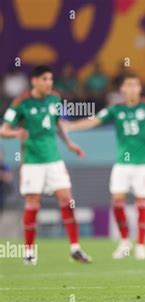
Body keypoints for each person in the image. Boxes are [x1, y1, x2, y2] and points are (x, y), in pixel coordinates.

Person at [64, 73, 145, 260]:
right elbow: (94, 120)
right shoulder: (116, 109)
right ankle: (124, 241)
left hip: (144, 164)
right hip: (122, 164)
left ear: (140, 88)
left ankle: (141, 245)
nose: (132, 89)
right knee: (117, 202)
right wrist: (71, 126)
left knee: (142, 203)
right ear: (122, 89)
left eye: (136, 85)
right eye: (129, 85)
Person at [0, 65, 90, 265]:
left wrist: (69, 144)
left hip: (54, 160)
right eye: (44, 79)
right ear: (34, 81)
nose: (49, 83)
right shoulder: (21, 103)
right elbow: (3, 130)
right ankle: (30, 252)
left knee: (67, 199)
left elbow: (58, 124)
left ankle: (75, 248)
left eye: (50, 79)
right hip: (32, 162)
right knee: (33, 204)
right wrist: (16, 133)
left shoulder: (55, 99)